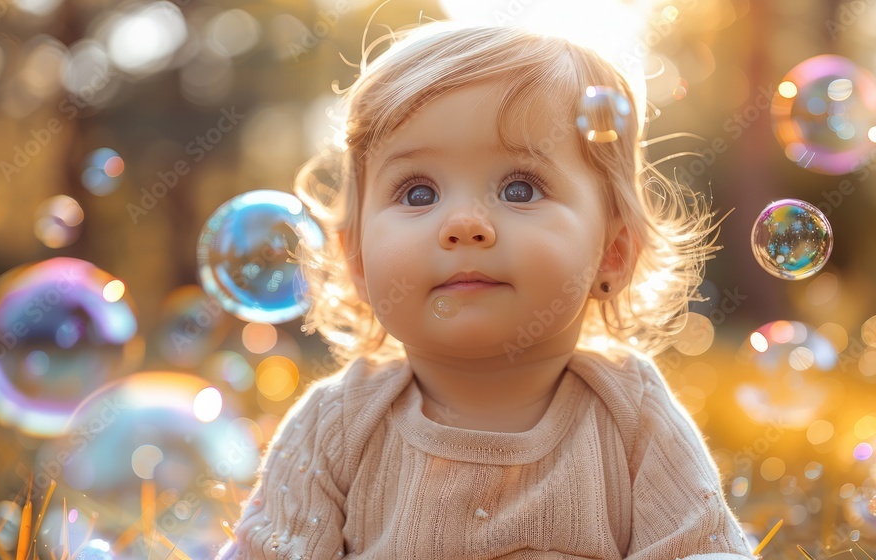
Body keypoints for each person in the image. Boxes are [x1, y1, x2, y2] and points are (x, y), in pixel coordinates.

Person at [217, 21, 755, 560]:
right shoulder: (336, 424)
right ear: (355, 257)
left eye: (519, 188)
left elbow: (700, 549)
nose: (465, 223)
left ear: (611, 252)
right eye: (418, 191)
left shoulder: (632, 413)